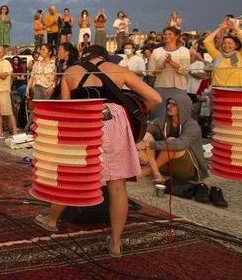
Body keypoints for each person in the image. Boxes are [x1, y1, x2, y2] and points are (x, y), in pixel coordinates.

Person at [37, 45, 161, 258]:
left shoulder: (71, 72)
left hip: (83, 122)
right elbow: (155, 99)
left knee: (73, 178)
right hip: (114, 122)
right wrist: (132, 111)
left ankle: (51, 221)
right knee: (117, 186)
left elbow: (65, 109)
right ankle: (115, 244)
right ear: (105, 57)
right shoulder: (119, 70)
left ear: (86, 57)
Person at [137, 94, 209, 183]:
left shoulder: (192, 125)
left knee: (171, 142)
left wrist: (149, 145)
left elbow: (179, 145)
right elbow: (143, 132)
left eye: (173, 105)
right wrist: (142, 150)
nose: (168, 106)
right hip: (165, 164)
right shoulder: (163, 120)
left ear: (183, 107)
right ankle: (156, 172)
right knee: (147, 136)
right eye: (168, 103)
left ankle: (149, 170)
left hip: (186, 168)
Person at [149, 27, 191, 118]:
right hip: (161, 88)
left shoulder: (184, 51)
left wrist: (171, 63)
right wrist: (163, 66)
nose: (166, 36)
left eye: (170, 34)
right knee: (161, 115)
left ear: (176, 36)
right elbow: (150, 72)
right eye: (165, 34)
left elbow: (185, 71)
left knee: (178, 115)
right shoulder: (156, 51)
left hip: (179, 88)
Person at [204, 18, 242, 88]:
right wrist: (220, 28)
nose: (226, 45)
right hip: (217, 88)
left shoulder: (241, 55)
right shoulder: (217, 55)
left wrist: (235, 28)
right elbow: (206, 42)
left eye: (229, 43)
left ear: (236, 45)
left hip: (236, 89)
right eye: (224, 43)